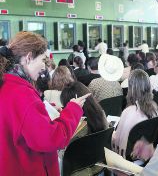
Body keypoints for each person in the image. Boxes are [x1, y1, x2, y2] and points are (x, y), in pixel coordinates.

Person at [0, 31, 90, 175]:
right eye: (42, 59)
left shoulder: (6, 84)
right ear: (29, 57)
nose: (44, 67)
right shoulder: (22, 94)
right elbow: (52, 139)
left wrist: (45, 112)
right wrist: (73, 109)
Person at [112, 69, 158, 158]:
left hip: (128, 160)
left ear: (130, 88)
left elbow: (118, 141)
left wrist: (111, 133)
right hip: (144, 158)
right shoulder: (154, 107)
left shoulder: (129, 111)